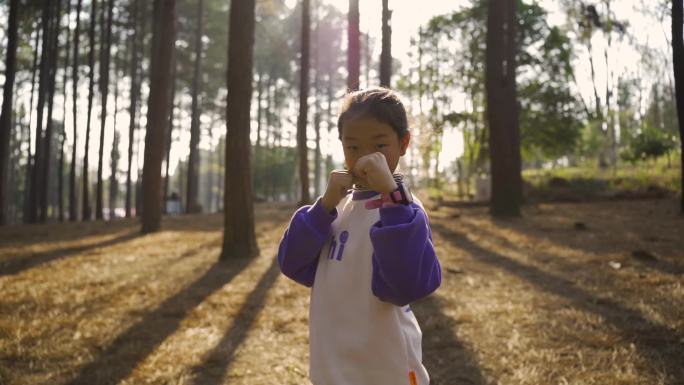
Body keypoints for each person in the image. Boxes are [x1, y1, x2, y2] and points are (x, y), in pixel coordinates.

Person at [277, 87, 441, 385]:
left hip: (386, 368)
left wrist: (391, 197)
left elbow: (404, 287)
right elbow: (292, 264)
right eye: (353, 147)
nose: (365, 158)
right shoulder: (337, 206)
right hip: (332, 367)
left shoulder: (405, 210)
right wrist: (323, 206)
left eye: (378, 145)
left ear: (403, 143)